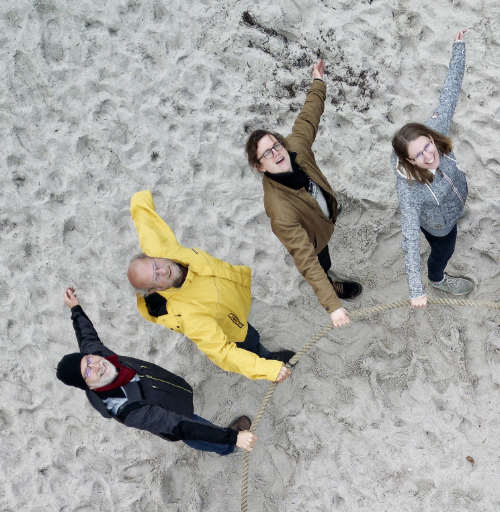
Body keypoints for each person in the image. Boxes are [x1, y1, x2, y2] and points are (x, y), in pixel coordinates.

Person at [56, 289, 257, 456]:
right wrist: (233, 438)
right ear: (89, 387)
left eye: (88, 360)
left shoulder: (97, 355)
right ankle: (226, 447)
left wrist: (75, 309)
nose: (96, 366)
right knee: (192, 429)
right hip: (174, 416)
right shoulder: (128, 410)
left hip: (167, 389)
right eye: (87, 373)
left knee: (187, 416)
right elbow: (180, 425)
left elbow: (86, 336)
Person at [127, 191, 294, 382]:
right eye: (156, 278)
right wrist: (268, 370)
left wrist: (139, 197)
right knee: (250, 340)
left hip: (234, 296)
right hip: (233, 326)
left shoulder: (160, 250)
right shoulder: (189, 315)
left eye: (156, 266)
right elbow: (222, 353)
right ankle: (268, 358)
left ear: (152, 256)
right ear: (154, 290)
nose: (163, 271)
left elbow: (144, 219)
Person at [246, 58, 362, 327]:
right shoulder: (279, 210)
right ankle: (332, 286)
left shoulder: (294, 147)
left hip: (322, 214)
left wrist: (318, 82)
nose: (276, 153)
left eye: (276, 145)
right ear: (259, 166)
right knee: (321, 263)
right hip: (315, 241)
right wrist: (333, 306)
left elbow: (309, 117)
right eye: (267, 153)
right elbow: (305, 259)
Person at [392, 30, 473, 307]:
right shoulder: (410, 192)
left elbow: (450, 92)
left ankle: (457, 210)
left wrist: (458, 48)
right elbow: (410, 241)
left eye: (427, 146)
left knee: (456, 208)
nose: (429, 156)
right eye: (418, 155)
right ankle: (437, 279)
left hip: (453, 199)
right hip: (438, 224)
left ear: (430, 136)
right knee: (444, 250)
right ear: (409, 162)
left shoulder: (436, 134)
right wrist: (416, 290)